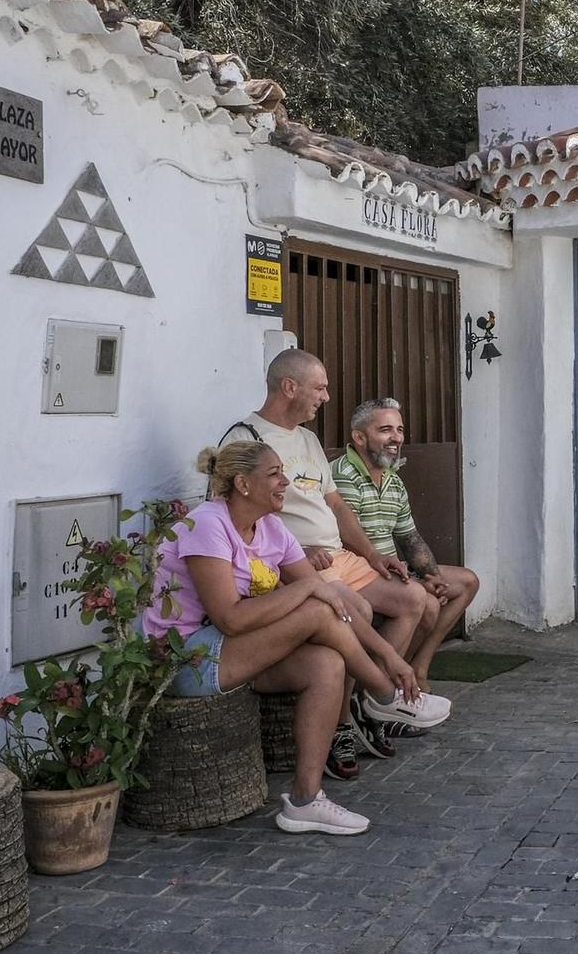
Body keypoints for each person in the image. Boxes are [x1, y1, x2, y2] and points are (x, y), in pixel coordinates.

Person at [142, 442, 451, 835]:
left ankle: (306, 800)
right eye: (273, 473)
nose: (284, 481)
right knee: (316, 604)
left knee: (327, 662)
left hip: (235, 649)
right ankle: (384, 696)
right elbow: (230, 618)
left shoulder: (272, 528)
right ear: (242, 483)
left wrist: (391, 657)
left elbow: (334, 602)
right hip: (185, 658)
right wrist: (308, 591)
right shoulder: (208, 525)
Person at [223, 349, 435, 777]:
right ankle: (342, 722)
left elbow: (335, 504)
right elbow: (236, 515)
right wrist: (296, 555)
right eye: (319, 387)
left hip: (338, 554)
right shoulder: (246, 438)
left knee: (412, 597)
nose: (326, 396)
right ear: (290, 387)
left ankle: (370, 703)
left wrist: (373, 556)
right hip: (297, 561)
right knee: (354, 610)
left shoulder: (308, 439)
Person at [332, 398, 480, 687]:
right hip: (359, 574)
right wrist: (411, 582)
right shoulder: (343, 476)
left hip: (393, 571)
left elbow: (409, 538)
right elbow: (347, 544)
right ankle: (376, 685)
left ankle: (419, 666)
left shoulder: (393, 480)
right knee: (426, 603)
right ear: (359, 437)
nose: (396, 438)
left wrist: (431, 576)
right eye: (385, 429)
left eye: (399, 430)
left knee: (465, 583)